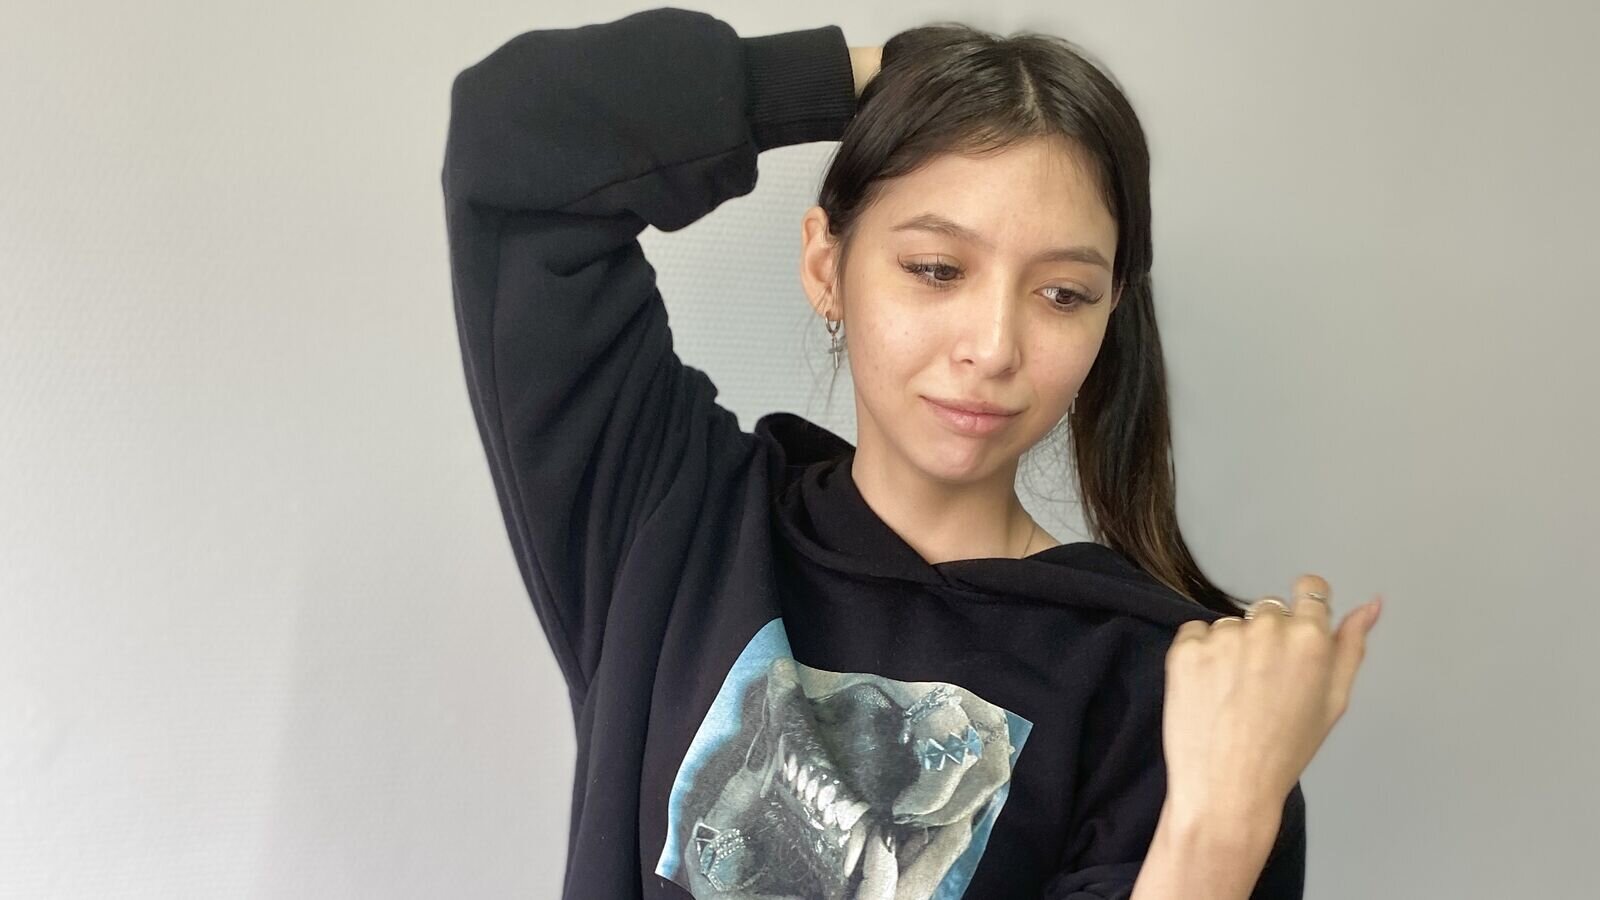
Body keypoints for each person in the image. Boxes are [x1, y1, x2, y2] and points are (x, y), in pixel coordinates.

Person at [440, 7, 1381, 898]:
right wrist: (889, 79)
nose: (994, 347)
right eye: (937, 269)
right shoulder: (679, 522)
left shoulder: (1163, 691)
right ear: (827, 265)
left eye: (1063, 294)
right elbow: (517, 133)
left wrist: (1217, 831)